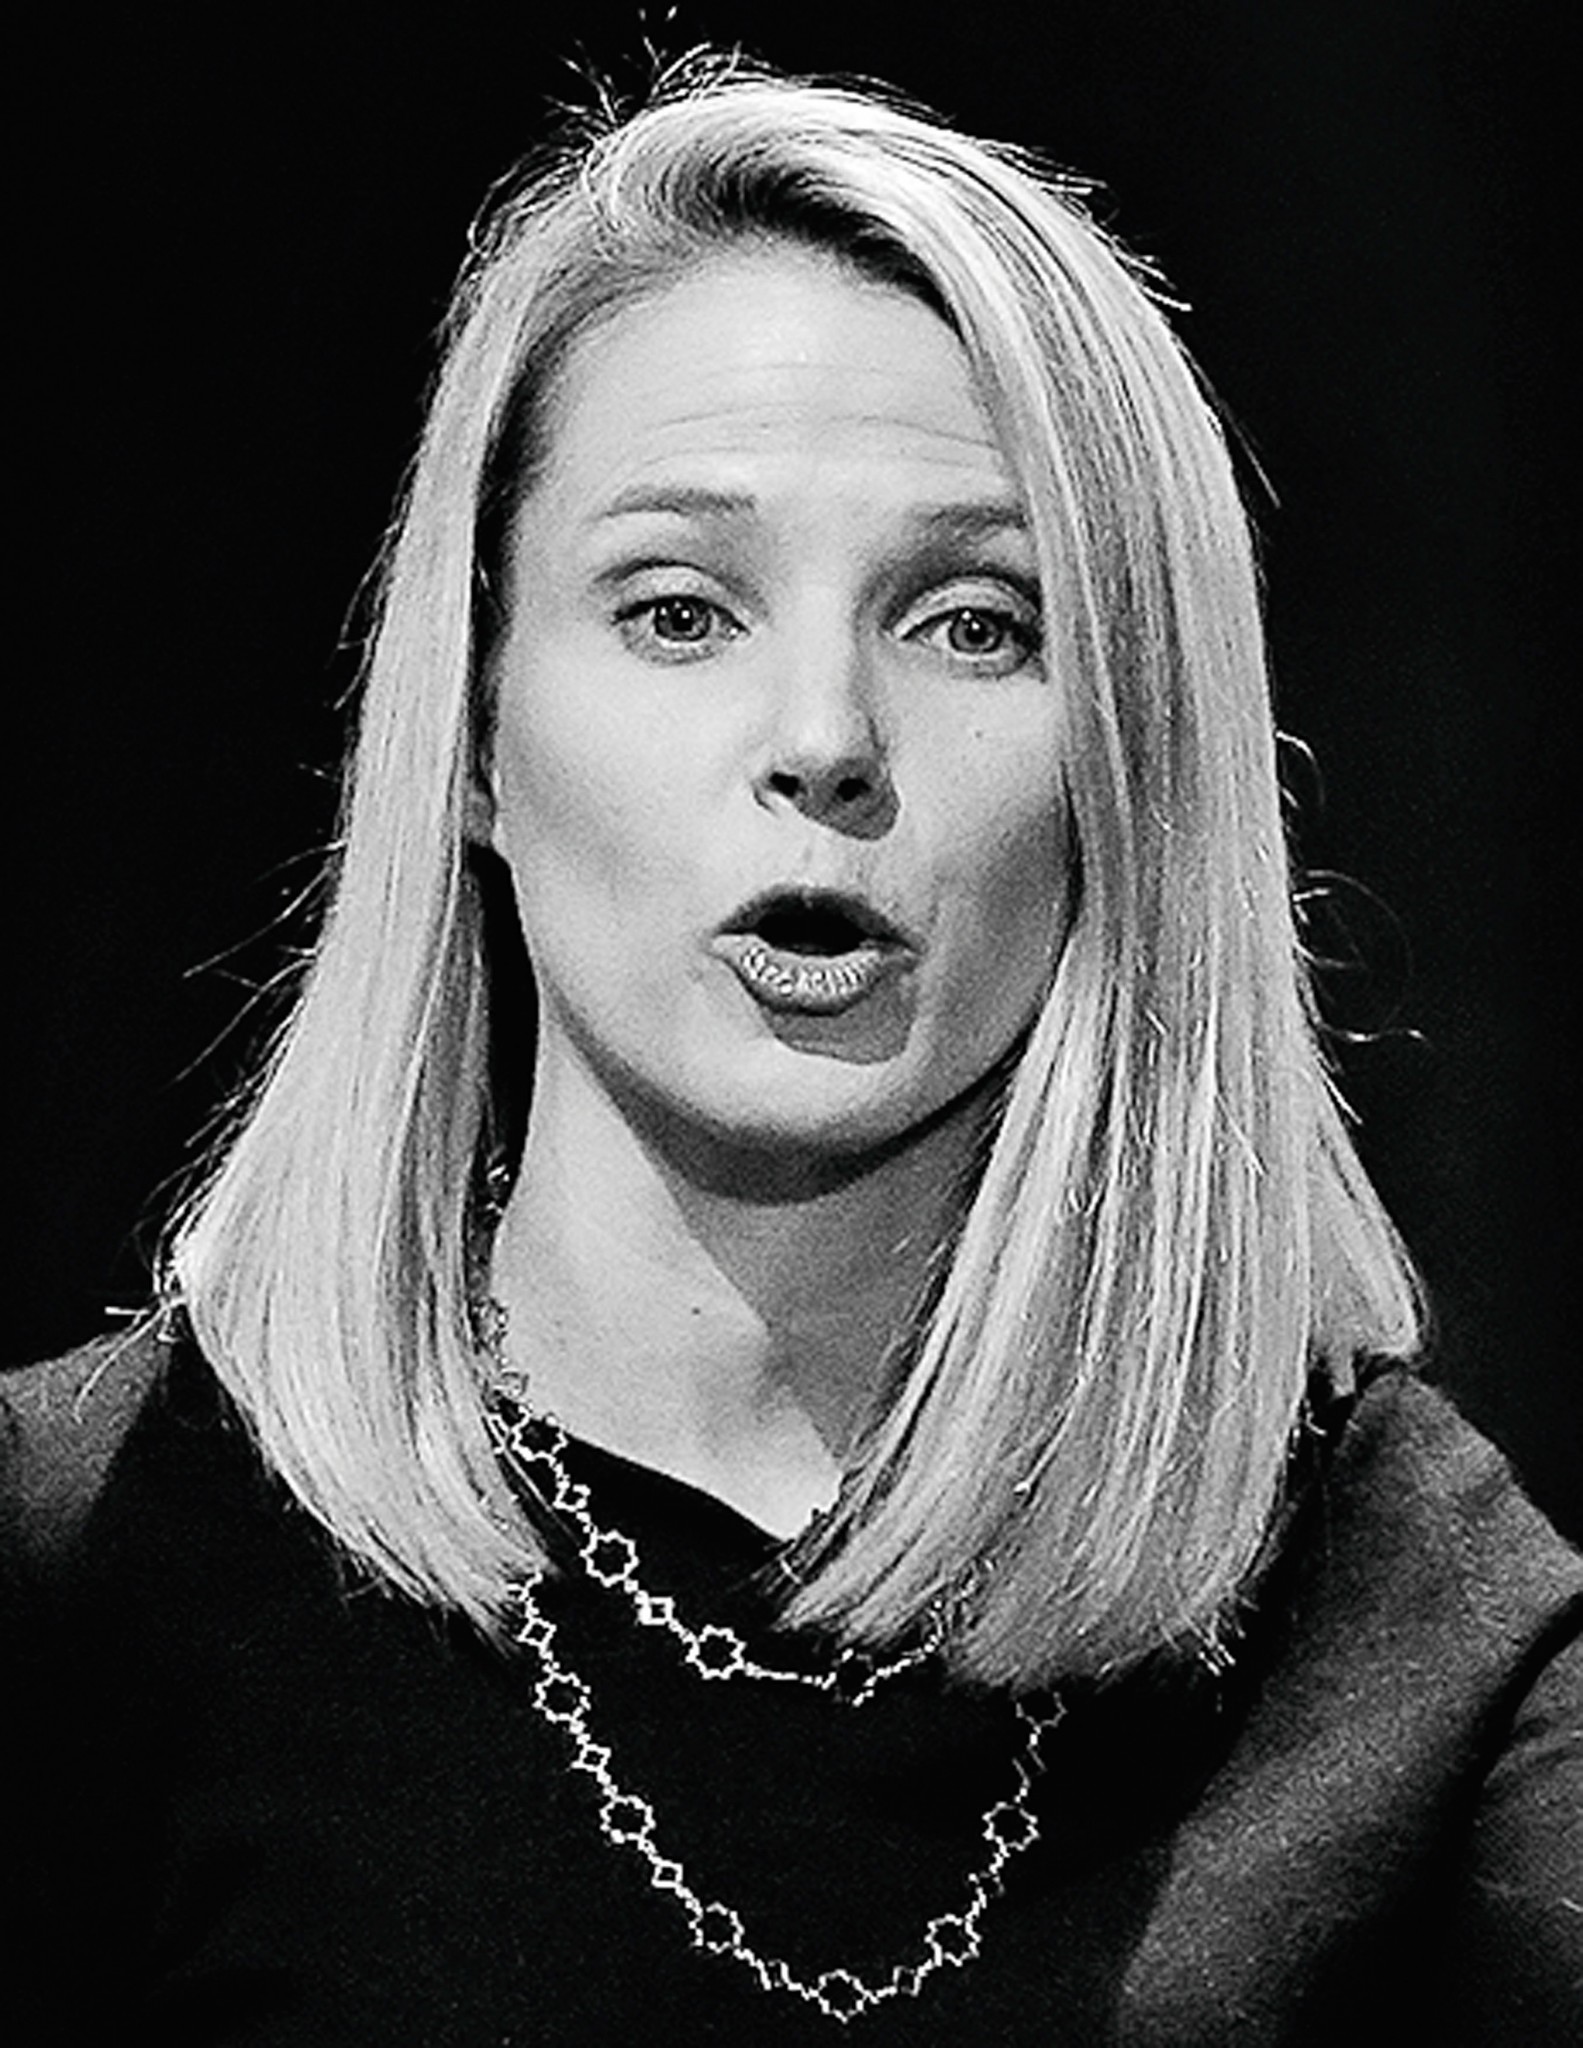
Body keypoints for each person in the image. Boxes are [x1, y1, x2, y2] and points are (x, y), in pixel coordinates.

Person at [4, 51, 1578, 2046]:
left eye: (976, 622)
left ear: (1136, 774)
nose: (826, 738)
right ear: (472, 731)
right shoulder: (84, 1556)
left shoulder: (1400, 1620)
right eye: (679, 611)